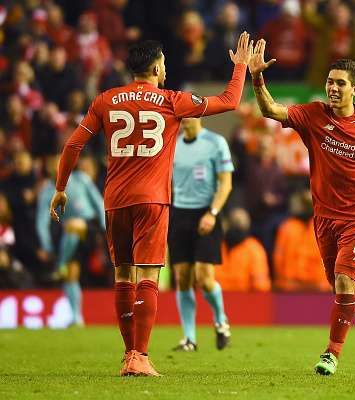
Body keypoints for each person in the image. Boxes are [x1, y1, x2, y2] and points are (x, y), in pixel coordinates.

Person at [49, 33, 253, 377]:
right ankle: (140, 356)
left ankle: (128, 354)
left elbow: (73, 144)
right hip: (152, 200)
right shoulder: (173, 101)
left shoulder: (106, 100)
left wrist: (60, 187)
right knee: (148, 276)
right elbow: (230, 101)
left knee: (122, 275)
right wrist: (240, 67)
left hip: (115, 201)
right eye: (164, 64)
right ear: (157, 67)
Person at [248, 40, 355, 375]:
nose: (333, 87)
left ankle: (331, 353)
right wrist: (257, 79)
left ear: (354, 89)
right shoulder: (313, 115)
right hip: (324, 215)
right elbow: (271, 110)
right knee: (340, 285)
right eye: (330, 82)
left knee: (344, 279)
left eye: (340, 83)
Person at [169, 117, 233, 352]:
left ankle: (220, 320)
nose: (185, 118)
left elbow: (226, 183)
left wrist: (213, 212)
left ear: (199, 115)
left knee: (204, 277)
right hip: (179, 213)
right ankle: (189, 338)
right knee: (183, 277)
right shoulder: (172, 144)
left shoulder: (215, 143)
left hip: (207, 212)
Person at [37, 154, 106, 327]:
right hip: (71, 236)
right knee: (71, 274)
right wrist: (46, 245)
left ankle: (59, 264)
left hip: (91, 227)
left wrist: (108, 230)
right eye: (53, 164)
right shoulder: (47, 190)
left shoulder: (81, 179)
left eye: (59, 163)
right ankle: (77, 318)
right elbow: (42, 222)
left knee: (74, 224)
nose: (56, 167)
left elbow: (98, 203)